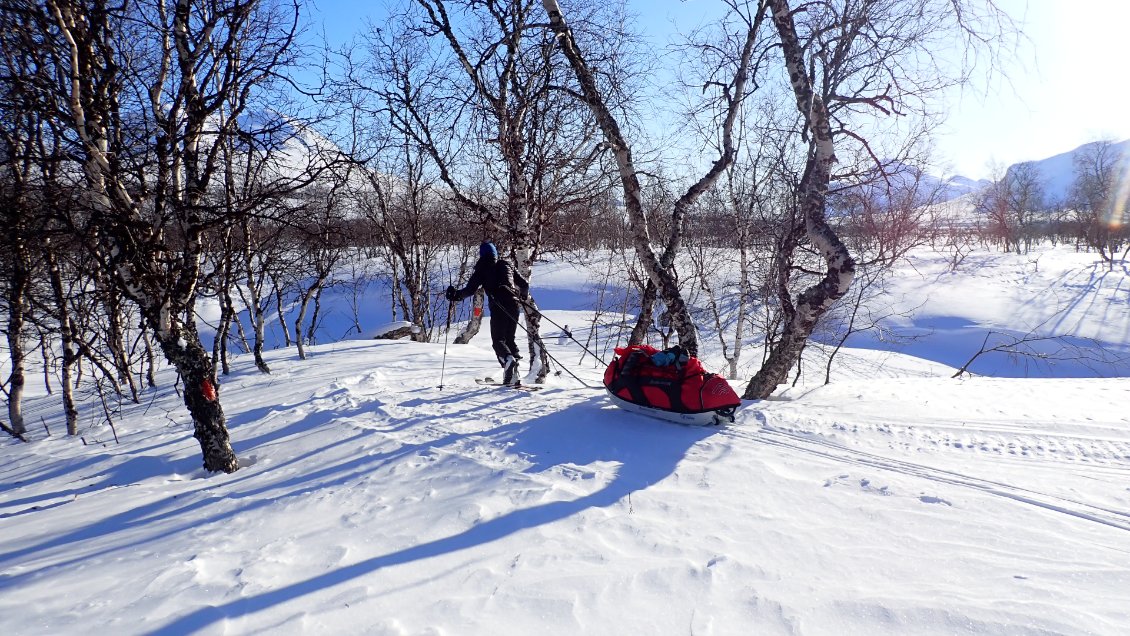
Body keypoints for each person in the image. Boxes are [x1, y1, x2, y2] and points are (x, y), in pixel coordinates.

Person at [446, 241, 530, 385]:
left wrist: (456, 295)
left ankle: (508, 361)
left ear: (482, 255)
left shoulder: (482, 268)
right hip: (514, 305)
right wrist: (522, 296)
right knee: (509, 339)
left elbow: (470, 290)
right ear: (495, 253)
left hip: (499, 307)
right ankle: (512, 375)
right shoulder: (507, 264)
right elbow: (524, 284)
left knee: (498, 340)